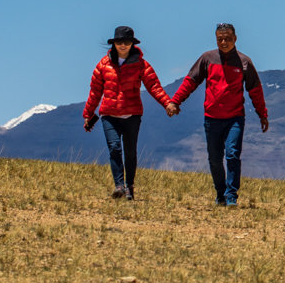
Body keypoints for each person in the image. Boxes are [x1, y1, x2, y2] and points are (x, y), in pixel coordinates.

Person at [167, 22, 269, 206]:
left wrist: (263, 114)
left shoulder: (244, 62)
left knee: (232, 155)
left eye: (227, 38)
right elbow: (190, 81)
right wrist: (175, 101)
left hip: (235, 119)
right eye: (220, 39)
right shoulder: (207, 58)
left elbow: (255, 90)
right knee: (214, 159)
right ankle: (220, 193)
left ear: (235, 39)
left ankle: (231, 195)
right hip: (212, 118)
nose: (223, 42)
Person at [84, 26, 174, 200]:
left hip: (132, 115)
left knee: (130, 151)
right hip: (109, 115)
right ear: (114, 43)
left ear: (132, 43)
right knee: (114, 148)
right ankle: (119, 186)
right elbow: (95, 92)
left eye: (127, 42)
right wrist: (88, 114)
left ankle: (129, 187)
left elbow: (154, 86)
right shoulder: (103, 65)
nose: (123, 45)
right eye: (119, 42)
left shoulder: (141, 64)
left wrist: (167, 103)